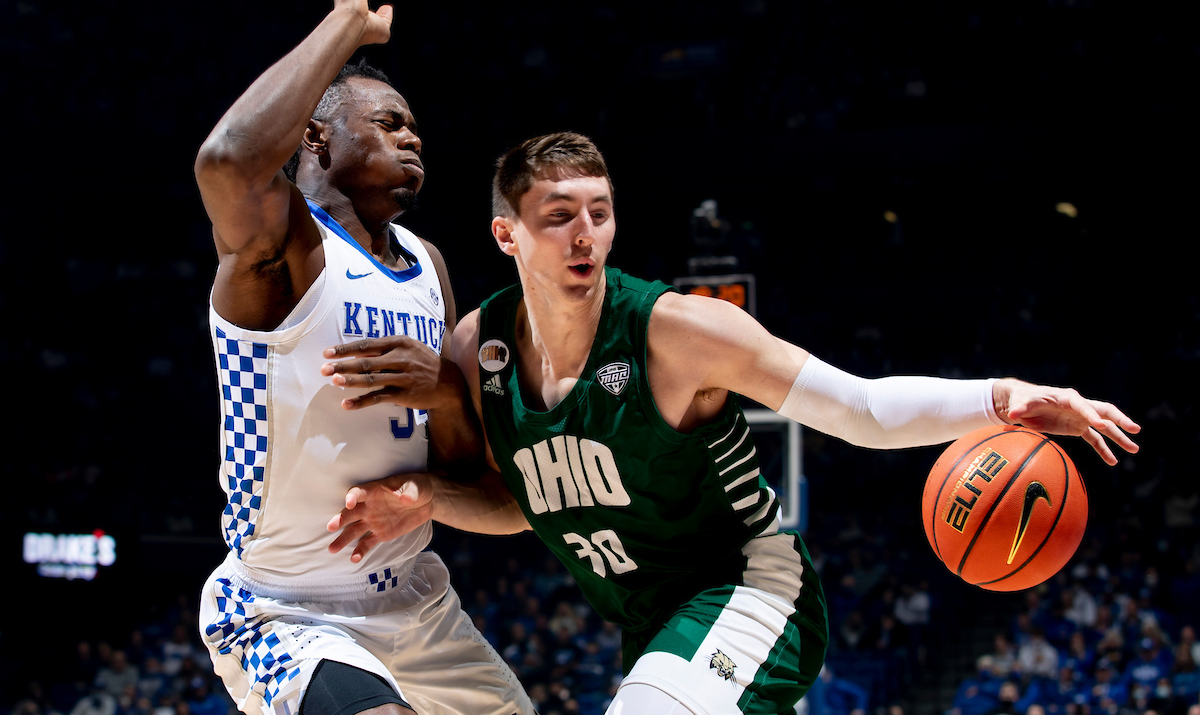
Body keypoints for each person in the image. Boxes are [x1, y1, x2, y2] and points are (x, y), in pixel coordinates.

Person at [324, 132, 1141, 714]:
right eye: (559, 216)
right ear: (507, 234)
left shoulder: (680, 331)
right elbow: (519, 504)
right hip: (648, 618)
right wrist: (426, 495)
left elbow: (859, 409)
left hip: (750, 586)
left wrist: (1003, 398)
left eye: (600, 213)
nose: (586, 236)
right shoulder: (481, 348)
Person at [193, 0, 532, 715]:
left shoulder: (428, 263)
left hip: (416, 602)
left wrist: (447, 395)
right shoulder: (285, 250)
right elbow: (227, 161)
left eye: (414, 126)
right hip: (289, 604)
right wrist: (346, 22)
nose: (413, 136)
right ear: (316, 136)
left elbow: (466, 465)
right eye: (388, 122)